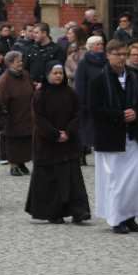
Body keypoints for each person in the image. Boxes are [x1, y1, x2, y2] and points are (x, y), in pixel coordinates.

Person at [89, 40, 138, 234]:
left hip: (132, 136)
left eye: (124, 54)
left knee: (135, 178)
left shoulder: (134, 78)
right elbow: (95, 109)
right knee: (116, 181)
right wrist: (119, 115)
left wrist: (136, 112)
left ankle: (131, 215)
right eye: (117, 54)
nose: (122, 58)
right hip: (110, 138)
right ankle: (117, 218)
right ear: (108, 55)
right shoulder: (99, 80)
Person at [25, 63, 90, 223]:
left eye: (60, 73)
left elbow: (77, 113)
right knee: (51, 180)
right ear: (48, 75)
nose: (58, 76)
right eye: (55, 73)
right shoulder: (40, 95)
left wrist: (68, 131)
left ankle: (78, 211)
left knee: (73, 178)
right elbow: (39, 118)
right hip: (47, 143)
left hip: (68, 142)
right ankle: (53, 212)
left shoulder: (70, 93)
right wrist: (55, 134)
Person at [0, 50, 34, 176]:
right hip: (12, 115)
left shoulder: (26, 75)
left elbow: (31, 89)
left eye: (21, 61)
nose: (21, 63)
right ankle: (13, 164)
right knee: (13, 141)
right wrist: (3, 115)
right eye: (18, 61)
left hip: (26, 112)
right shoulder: (4, 80)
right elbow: (0, 100)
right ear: (10, 63)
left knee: (25, 140)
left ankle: (21, 162)